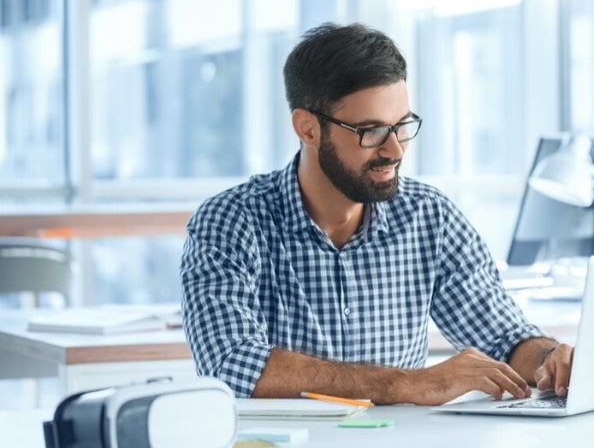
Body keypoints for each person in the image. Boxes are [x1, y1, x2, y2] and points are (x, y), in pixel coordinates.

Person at [180, 22, 573, 406]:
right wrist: (408, 385)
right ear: (308, 129)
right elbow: (230, 365)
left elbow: (505, 338)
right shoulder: (229, 223)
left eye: (402, 126)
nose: (396, 150)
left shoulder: (428, 216)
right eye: (370, 131)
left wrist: (550, 359)